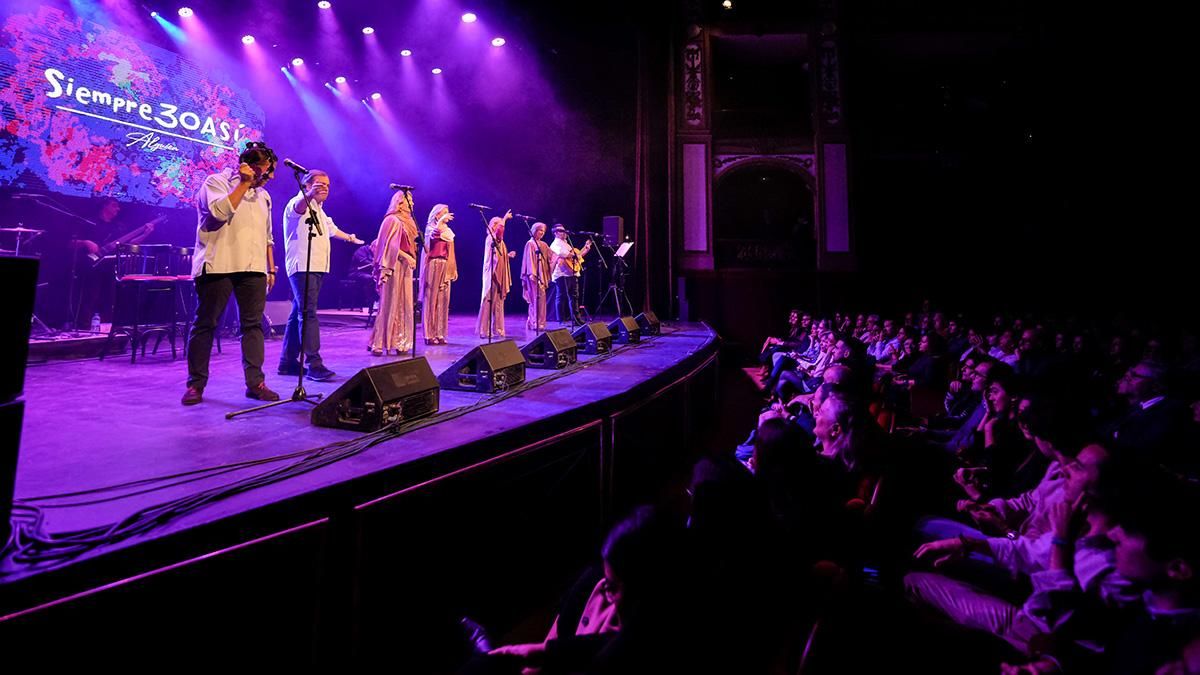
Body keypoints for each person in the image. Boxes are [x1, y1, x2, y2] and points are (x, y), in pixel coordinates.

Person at [182, 141, 279, 406]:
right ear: (248, 167)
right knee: (206, 324)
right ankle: (195, 384)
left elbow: (267, 236)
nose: (268, 178)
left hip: (253, 269)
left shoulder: (264, 196)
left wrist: (270, 268)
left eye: (270, 173)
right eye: (264, 171)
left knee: (253, 326)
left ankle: (255, 382)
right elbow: (217, 214)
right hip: (218, 265)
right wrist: (243, 184)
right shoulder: (216, 182)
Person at [278, 169, 363, 380]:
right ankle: (314, 364)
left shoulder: (319, 210)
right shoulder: (297, 203)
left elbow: (332, 229)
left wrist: (351, 239)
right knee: (308, 313)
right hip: (302, 266)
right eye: (319, 184)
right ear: (307, 185)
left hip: (316, 266)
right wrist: (308, 195)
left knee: (298, 312)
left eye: (327, 185)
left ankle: (287, 362)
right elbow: (299, 208)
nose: (324, 188)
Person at [368, 190, 420, 355]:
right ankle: (379, 343)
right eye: (408, 200)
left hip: (405, 267)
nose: (411, 203)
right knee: (390, 303)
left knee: (404, 304)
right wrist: (406, 257)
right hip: (393, 266)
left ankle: (400, 341)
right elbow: (388, 246)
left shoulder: (410, 222)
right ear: (399, 203)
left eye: (411, 200)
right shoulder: (392, 220)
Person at [419, 203, 458, 345]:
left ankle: (440, 333)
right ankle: (429, 334)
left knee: (443, 300)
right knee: (431, 298)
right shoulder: (431, 229)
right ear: (437, 215)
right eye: (445, 212)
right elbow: (435, 235)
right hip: (434, 264)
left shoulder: (448, 231)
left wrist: (453, 268)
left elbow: (451, 251)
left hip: (445, 264)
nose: (448, 214)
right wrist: (441, 222)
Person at [477, 210, 516, 339]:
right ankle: (484, 330)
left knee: (499, 303)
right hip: (492, 274)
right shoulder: (491, 238)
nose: (501, 227)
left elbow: (498, 255)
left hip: (500, 273)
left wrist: (507, 255)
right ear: (493, 225)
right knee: (488, 301)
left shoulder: (500, 241)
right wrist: (504, 219)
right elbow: (499, 235)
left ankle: (498, 329)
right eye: (499, 224)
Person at [549, 224, 591, 326]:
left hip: (572, 273)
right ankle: (561, 320)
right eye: (561, 231)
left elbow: (577, 257)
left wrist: (586, 249)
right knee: (561, 296)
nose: (564, 233)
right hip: (562, 274)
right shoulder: (555, 244)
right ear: (555, 233)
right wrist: (576, 254)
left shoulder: (567, 244)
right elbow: (565, 254)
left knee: (574, 297)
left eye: (564, 231)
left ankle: (576, 318)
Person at [521, 221, 553, 331]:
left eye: (543, 231)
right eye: (540, 230)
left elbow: (552, 256)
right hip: (533, 275)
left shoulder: (543, 244)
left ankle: (540, 322)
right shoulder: (530, 244)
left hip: (542, 275)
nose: (542, 233)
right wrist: (532, 274)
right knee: (534, 299)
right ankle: (534, 322)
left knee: (542, 300)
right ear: (534, 230)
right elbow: (529, 260)